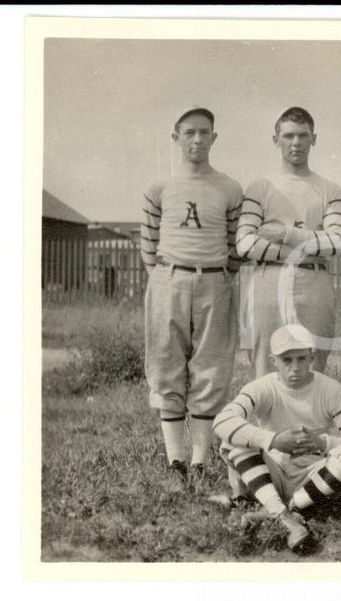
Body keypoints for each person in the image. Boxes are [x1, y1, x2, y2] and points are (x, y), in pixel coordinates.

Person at [140, 107, 242, 490]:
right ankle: (175, 463)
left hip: (214, 280)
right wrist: (169, 276)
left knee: (211, 367)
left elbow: (234, 246)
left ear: (214, 138)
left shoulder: (229, 188)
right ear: (176, 137)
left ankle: (199, 462)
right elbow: (148, 245)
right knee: (166, 364)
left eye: (204, 133)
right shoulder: (158, 187)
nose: (197, 140)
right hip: (169, 278)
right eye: (189, 132)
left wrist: (214, 277)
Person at [212, 326, 341, 554]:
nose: (295, 367)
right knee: (233, 441)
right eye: (286, 360)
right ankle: (284, 515)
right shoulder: (263, 387)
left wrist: (323, 443)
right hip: (271, 474)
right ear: (273, 361)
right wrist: (274, 440)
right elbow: (222, 421)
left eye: (302, 358)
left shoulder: (329, 388)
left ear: (312, 356)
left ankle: (280, 510)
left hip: (314, 476)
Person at [237, 106, 341, 379]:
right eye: (288, 136)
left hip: (314, 283)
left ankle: (312, 424)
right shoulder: (260, 187)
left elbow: (337, 242)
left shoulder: (328, 188)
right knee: (267, 368)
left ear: (314, 138)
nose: (296, 143)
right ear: (275, 140)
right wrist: (308, 245)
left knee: (312, 368)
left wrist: (287, 234)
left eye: (302, 135)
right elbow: (245, 243)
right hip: (269, 282)